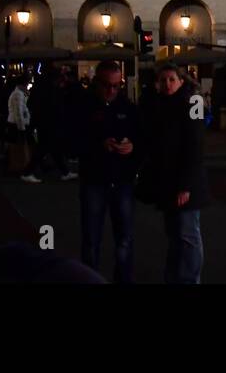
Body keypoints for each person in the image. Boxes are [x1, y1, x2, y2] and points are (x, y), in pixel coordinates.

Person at [139, 62, 210, 284]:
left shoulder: (191, 103)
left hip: (184, 182)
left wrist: (186, 185)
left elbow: (195, 147)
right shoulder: (159, 104)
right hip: (167, 180)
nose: (167, 84)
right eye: (163, 80)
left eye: (172, 79)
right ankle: (174, 278)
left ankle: (189, 279)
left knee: (188, 235)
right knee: (175, 235)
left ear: (181, 81)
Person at [78, 60, 140, 283]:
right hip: (94, 179)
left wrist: (132, 147)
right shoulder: (84, 106)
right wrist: (99, 144)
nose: (111, 91)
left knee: (124, 238)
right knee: (91, 238)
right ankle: (89, 278)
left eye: (116, 86)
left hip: (122, 180)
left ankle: (123, 279)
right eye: (106, 85)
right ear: (96, 83)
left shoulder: (127, 108)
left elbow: (141, 139)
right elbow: (73, 140)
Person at [7, 76, 35, 179]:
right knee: (18, 147)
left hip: (15, 124)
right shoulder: (18, 95)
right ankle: (18, 167)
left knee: (15, 147)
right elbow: (18, 112)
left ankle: (16, 167)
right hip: (17, 124)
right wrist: (22, 128)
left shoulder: (18, 93)